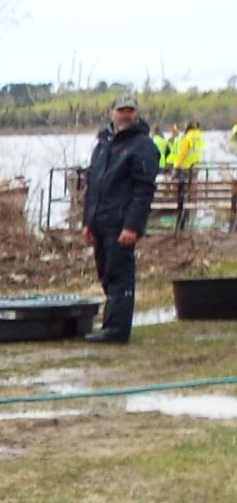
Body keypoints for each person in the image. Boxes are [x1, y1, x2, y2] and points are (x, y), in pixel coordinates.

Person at [81, 96, 160, 344]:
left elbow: (144, 190)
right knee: (105, 273)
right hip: (101, 220)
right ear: (111, 112)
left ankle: (116, 330)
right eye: (121, 110)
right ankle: (111, 323)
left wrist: (132, 226)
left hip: (122, 223)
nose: (125, 115)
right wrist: (88, 221)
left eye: (130, 110)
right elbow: (93, 185)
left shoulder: (142, 145)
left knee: (120, 275)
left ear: (136, 113)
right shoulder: (103, 144)